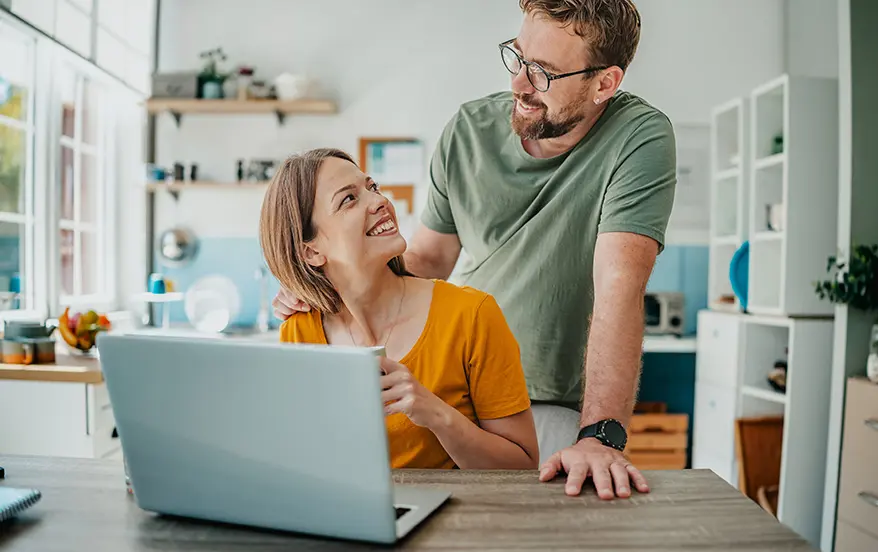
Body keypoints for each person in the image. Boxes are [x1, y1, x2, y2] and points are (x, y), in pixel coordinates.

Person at [274, 0, 675, 500]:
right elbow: (423, 264)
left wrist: (599, 436)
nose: (519, 85)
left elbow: (619, 288)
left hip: (554, 400)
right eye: (518, 57)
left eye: (544, 73)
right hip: (458, 388)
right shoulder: (468, 131)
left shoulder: (638, 138)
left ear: (604, 84)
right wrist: (324, 288)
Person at [259, 148, 539, 471]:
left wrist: (435, 414)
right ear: (311, 252)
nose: (379, 201)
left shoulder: (472, 315)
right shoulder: (299, 332)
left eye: (372, 187)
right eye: (349, 199)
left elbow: (522, 467)